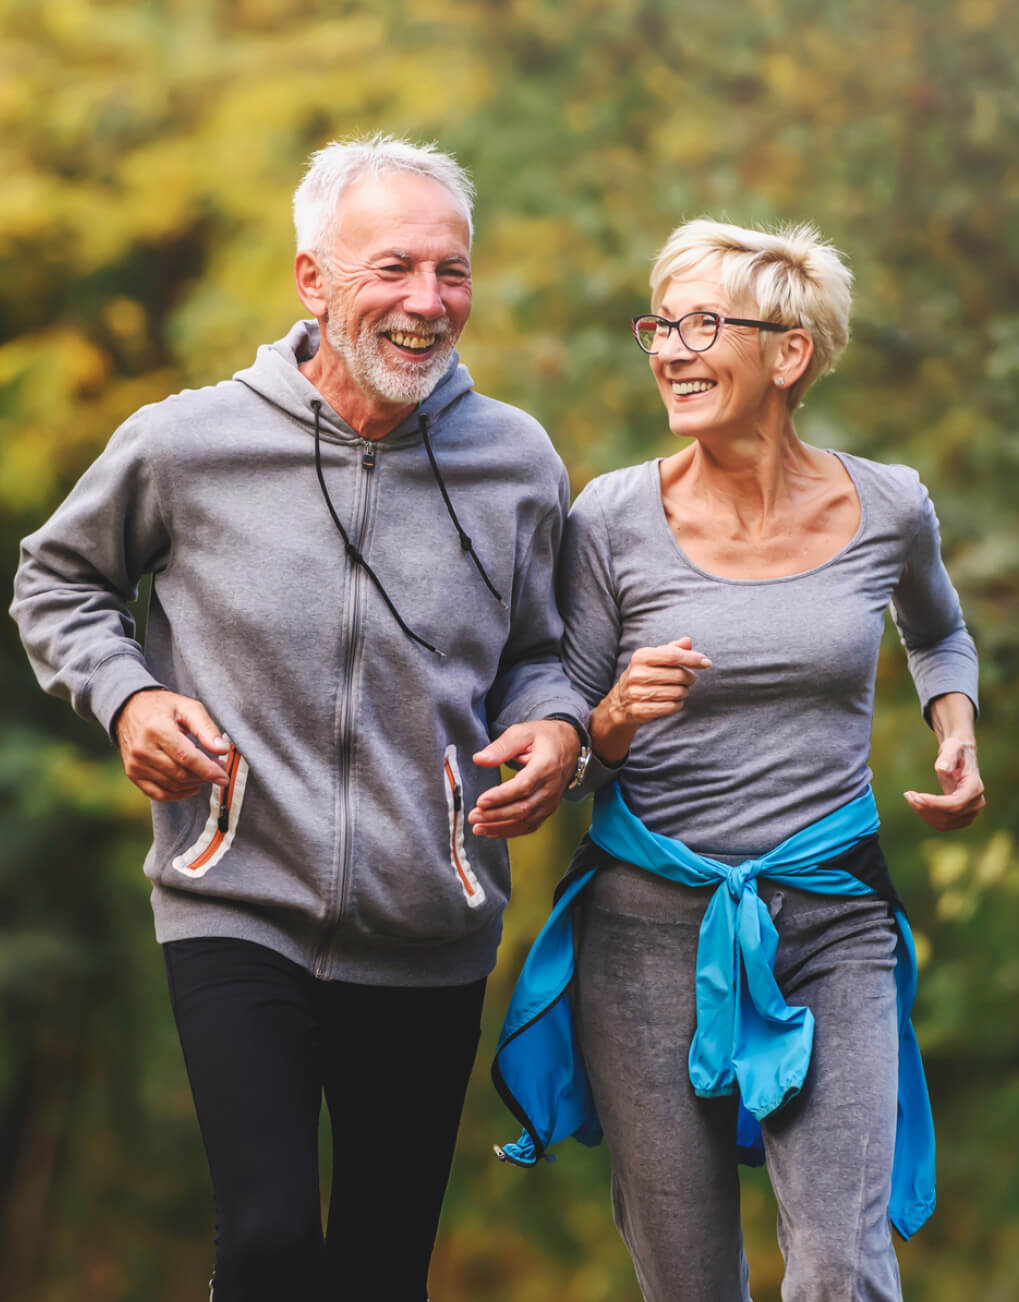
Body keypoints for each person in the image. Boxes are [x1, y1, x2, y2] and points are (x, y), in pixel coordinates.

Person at [10, 134, 591, 1301]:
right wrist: (130, 696)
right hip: (235, 898)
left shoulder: (516, 461)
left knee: (381, 1267)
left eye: (451, 271)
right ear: (312, 281)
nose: (428, 301)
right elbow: (56, 582)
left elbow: (546, 652)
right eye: (394, 268)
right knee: (271, 1243)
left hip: (431, 918)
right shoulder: (187, 444)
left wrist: (558, 729)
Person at [492, 220, 984, 1301]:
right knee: (689, 1280)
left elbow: (939, 632)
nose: (670, 350)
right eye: (660, 327)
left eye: (703, 325)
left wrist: (954, 727)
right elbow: (570, 744)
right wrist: (614, 715)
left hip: (832, 918)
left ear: (789, 353)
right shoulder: (610, 517)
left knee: (842, 1268)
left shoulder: (889, 505)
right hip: (643, 933)